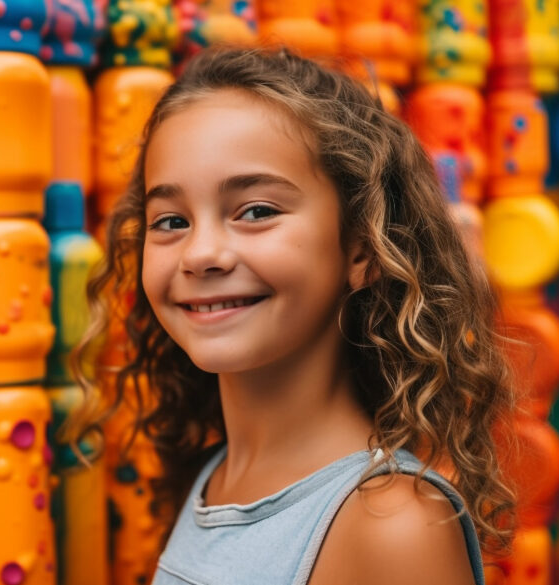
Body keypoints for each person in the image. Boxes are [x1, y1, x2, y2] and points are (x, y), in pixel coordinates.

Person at [71, 47, 516, 585]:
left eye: (256, 211)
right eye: (170, 221)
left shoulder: (393, 525)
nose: (199, 253)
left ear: (362, 249)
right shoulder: (215, 477)